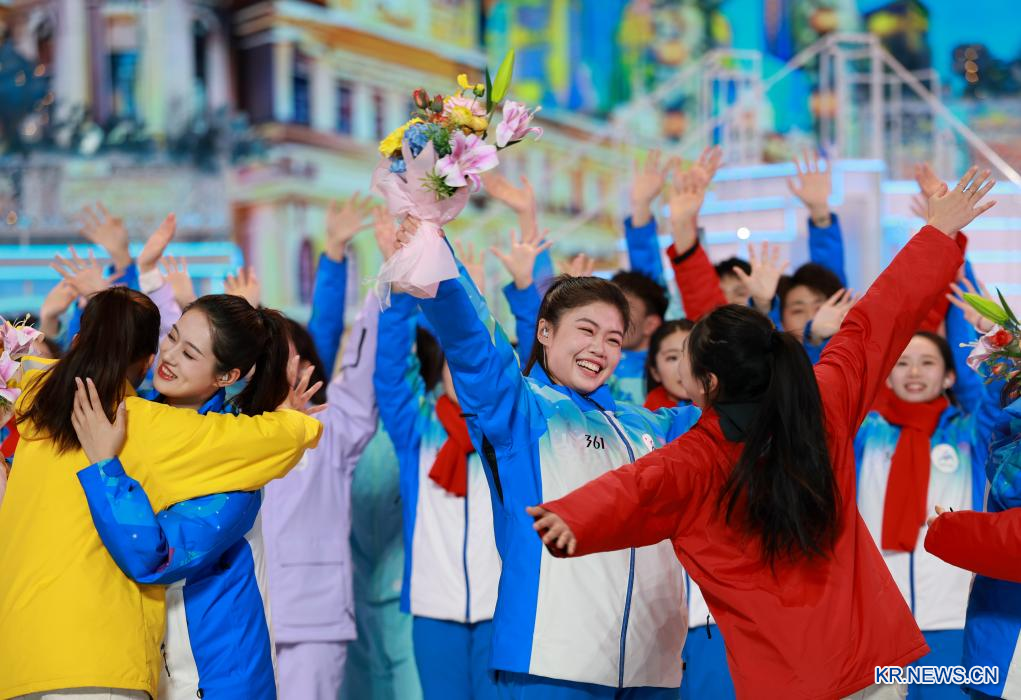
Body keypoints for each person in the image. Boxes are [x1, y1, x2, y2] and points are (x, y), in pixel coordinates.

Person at [529, 167, 996, 699]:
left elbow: (631, 491)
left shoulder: (692, 460)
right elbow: (878, 319)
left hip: (782, 682)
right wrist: (938, 232)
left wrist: (568, 519)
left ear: (706, 383)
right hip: (872, 667)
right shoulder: (823, 402)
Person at [393, 221, 702, 698]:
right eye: (587, 330)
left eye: (614, 339)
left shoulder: (655, 426)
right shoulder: (523, 412)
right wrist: (431, 246)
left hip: (651, 670)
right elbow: (472, 345)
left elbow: (742, 402)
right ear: (544, 331)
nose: (599, 348)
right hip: (553, 664)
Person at [0, 286, 322, 700]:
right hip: (133, 667)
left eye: (190, 353)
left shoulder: (230, 466)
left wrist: (105, 467)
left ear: (227, 376)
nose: (169, 357)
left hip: (211, 676)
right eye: (171, 337)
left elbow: (152, 558)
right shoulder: (118, 413)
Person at [374, 275, 501, 700]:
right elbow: (390, 375)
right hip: (433, 609)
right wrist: (400, 297)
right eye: (454, 364)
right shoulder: (418, 430)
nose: (463, 375)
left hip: (500, 607)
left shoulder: (510, 437)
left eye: (474, 366)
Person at [856, 329, 1001, 700]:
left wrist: (992, 340)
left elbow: (994, 399)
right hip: (879, 628)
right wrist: (817, 342)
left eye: (927, 363)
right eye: (902, 363)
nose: (915, 372)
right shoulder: (862, 435)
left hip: (953, 619)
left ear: (950, 376)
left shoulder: (971, 434)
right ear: (886, 376)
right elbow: (819, 407)